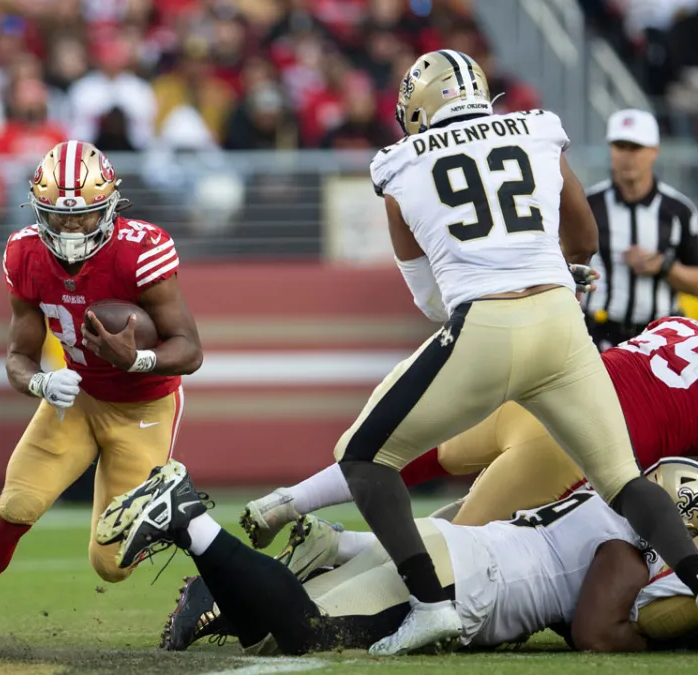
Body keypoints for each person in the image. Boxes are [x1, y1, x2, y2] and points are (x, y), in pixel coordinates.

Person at [326, 49, 698, 655]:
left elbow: (430, 301)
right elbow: (585, 236)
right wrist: (565, 272)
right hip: (564, 326)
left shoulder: (398, 166)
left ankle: (430, 604)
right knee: (624, 482)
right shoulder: (539, 129)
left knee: (364, 457)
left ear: (418, 109)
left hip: (489, 328)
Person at [0, 140, 204, 649]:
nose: (72, 229)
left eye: (85, 217)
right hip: (74, 398)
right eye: (59, 217)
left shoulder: (142, 248)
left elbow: (190, 350)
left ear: (111, 206)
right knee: (16, 506)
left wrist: (137, 358)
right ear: (38, 210)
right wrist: (40, 382)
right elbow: (17, 355)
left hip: (143, 403)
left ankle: (192, 541)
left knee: (112, 562)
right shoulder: (24, 252)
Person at [99, 459, 698, 656]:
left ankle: (217, 561)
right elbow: (596, 629)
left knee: (273, 638)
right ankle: (190, 519)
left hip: (450, 551)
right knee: (310, 635)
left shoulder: (598, 498)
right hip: (463, 579)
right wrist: (646, 639)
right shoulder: (629, 545)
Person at [244, 314, 698, 543]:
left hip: (541, 393)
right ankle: (337, 553)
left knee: (403, 459)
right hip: (573, 442)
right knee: (463, 548)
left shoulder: (679, 323)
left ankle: (289, 500)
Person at [584, 109, 698, 351]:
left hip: (660, 339)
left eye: (636, 147)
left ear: (654, 150)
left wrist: (664, 267)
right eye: (620, 146)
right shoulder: (588, 205)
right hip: (598, 334)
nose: (627, 156)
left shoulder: (679, 210)